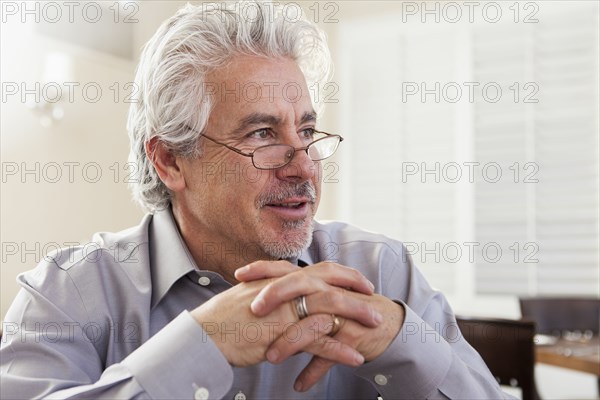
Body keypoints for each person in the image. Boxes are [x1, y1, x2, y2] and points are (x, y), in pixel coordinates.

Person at [1, 2, 512, 399]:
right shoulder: (68, 295)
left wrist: (399, 341)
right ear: (171, 161)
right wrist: (200, 344)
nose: (305, 164)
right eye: (263, 133)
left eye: (308, 129)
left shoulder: (380, 272)